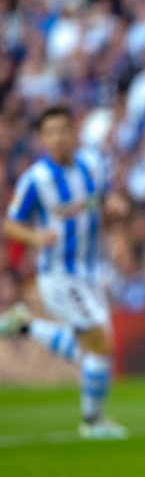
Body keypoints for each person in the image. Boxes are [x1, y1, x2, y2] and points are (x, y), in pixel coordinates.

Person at [0, 106, 129, 440]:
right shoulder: (36, 179)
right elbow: (10, 224)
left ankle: (27, 325)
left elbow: (104, 196)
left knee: (95, 351)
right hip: (58, 275)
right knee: (99, 344)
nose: (58, 138)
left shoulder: (93, 164)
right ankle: (92, 422)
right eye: (50, 132)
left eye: (63, 130)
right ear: (43, 139)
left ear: (74, 133)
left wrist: (113, 203)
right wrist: (36, 237)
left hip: (90, 273)